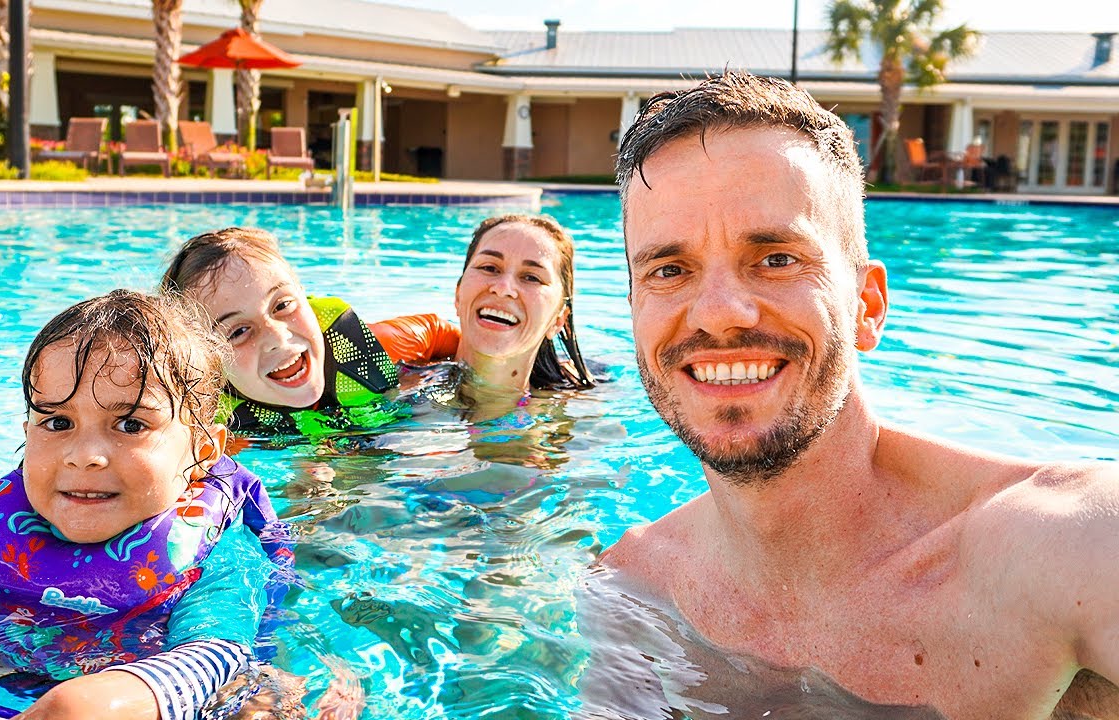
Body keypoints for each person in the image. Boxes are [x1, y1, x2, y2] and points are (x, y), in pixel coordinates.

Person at [590, 71, 1118, 719]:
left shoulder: (1066, 550)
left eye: (776, 257)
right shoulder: (632, 587)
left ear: (867, 305)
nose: (719, 313)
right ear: (634, 312)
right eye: (669, 271)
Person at [0, 290, 294, 720]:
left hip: (127, 677)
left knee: (259, 706)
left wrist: (110, 696)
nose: (84, 455)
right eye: (58, 422)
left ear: (202, 450)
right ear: (26, 432)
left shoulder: (215, 554)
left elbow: (218, 652)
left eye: (130, 424)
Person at [160, 226, 460, 442]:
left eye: (283, 305)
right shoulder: (213, 431)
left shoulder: (361, 349)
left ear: (304, 297)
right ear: (206, 360)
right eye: (238, 331)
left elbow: (436, 331)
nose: (278, 337)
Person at [451, 214, 595, 418]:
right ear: (458, 295)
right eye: (489, 268)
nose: (503, 288)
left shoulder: (582, 420)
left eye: (531, 277)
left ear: (558, 320)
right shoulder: (401, 385)